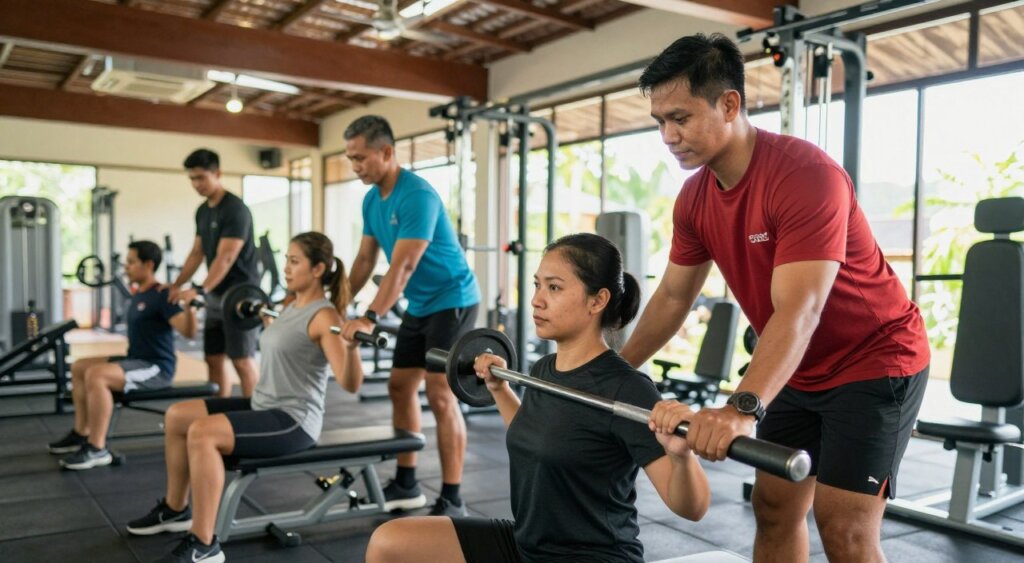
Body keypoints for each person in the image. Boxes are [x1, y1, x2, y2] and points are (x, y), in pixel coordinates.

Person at [619, 33, 931, 563]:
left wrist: (742, 407)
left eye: (681, 118)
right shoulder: (694, 199)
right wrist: (611, 369)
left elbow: (800, 309)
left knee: (846, 530)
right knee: (774, 509)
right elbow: (673, 296)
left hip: (875, 363)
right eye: (660, 122)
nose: (668, 136)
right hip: (798, 369)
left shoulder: (805, 176)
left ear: (730, 103)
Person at [366, 233, 710, 563]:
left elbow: (692, 508)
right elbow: (536, 433)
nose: (537, 300)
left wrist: (681, 457)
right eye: (537, 285)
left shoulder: (628, 388)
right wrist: (500, 389)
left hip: (592, 556)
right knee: (390, 543)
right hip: (526, 545)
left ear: (597, 300)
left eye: (554, 288)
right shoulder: (546, 368)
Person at [126, 232, 365, 563]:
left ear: (318, 269)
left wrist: (351, 349)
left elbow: (350, 383)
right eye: (287, 260)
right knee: (179, 415)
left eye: (295, 262)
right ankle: (175, 508)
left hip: (293, 419)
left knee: (202, 433)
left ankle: (204, 544)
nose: (286, 268)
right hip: (263, 404)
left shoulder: (325, 316)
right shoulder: (289, 305)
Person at [340, 115, 481, 517]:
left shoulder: (417, 195)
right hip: (420, 305)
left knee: (439, 392)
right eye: (351, 159)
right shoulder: (372, 200)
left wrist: (368, 316)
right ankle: (406, 482)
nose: (356, 167)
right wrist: (338, 302)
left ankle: (452, 496)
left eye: (361, 158)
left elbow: (401, 267)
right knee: (400, 386)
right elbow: (366, 258)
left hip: (452, 299)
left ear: (387, 152)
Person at [48, 241, 198, 470]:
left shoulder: (162, 295)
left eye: (131, 262)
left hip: (155, 368)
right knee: (79, 367)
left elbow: (188, 332)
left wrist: (190, 307)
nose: (126, 267)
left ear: (148, 265)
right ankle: (81, 432)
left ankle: (98, 449)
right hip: (134, 360)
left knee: (97, 376)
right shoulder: (139, 294)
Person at [169, 148, 261, 398]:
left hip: (241, 294)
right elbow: (197, 252)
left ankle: (253, 414)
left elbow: (226, 257)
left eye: (201, 177)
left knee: (241, 359)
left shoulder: (235, 209)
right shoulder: (202, 211)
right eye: (192, 178)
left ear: (217, 173)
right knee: (213, 357)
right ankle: (221, 409)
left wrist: (200, 289)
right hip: (216, 293)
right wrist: (176, 285)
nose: (196, 184)